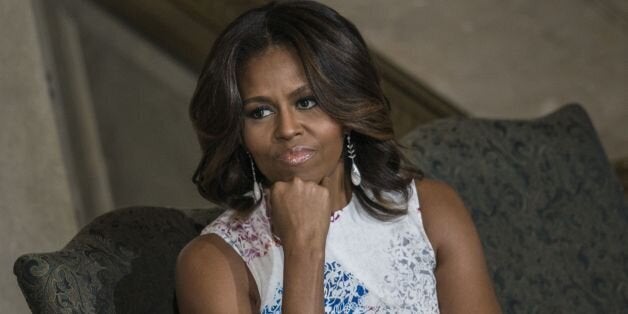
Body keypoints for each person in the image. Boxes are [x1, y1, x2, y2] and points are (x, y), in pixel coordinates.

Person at [176, 1, 501, 313]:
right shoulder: (212, 264)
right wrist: (303, 250)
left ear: (347, 109)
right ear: (240, 132)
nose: (287, 129)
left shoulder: (431, 213)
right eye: (260, 111)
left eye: (306, 102)